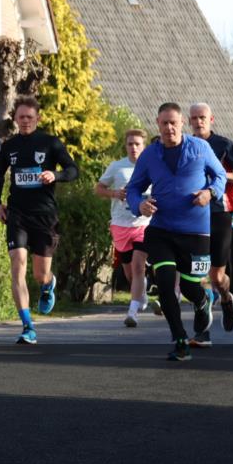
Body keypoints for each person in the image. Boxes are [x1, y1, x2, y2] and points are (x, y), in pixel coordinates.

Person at [126, 103, 227, 359]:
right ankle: (180, 339)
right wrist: (139, 204)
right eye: (164, 123)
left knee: (192, 288)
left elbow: (220, 176)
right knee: (165, 282)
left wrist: (209, 193)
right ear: (157, 125)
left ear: (182, 123)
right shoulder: (150, 154)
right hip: (162, 229)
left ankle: (203, 300)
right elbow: (134, 188)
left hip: (195, 231)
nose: (169, 128)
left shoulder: (200, 148)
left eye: (174, 123)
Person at [0, 96, 79, 344]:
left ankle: (48, 283)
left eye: (30, 117)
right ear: (16, 119)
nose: (25, 121)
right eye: (21, 117)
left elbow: (74, 170)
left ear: (37, 118)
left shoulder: (50, 143)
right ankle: (28, 326)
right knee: (18, 263)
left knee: (40, 274)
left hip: (45, 215)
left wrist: (56, 174)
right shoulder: (9, 146)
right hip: (17, 213)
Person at [188, 103, 233, 328]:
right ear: (189, 122)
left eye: (202, 117)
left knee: (217, 276)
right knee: (194, 270)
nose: (198, 122)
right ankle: (203, 310)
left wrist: (222, 174)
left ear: (211, 119)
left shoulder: (224, 145)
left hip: (220, 212)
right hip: (194, 213)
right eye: (194, 118)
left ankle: (226, 297)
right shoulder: (186, 145)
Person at [95, 129, 152, 327]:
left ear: (143, 146)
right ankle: (141, 294)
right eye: (130, 144)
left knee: (138, 266)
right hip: (120, 225)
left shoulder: (152, 167)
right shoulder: (117, 167)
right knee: (129, 272)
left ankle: (132, 312)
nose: (134, 148)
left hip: (143, 225)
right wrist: (114, 193)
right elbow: (98, 188)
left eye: (137, 144)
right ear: (125, 146)